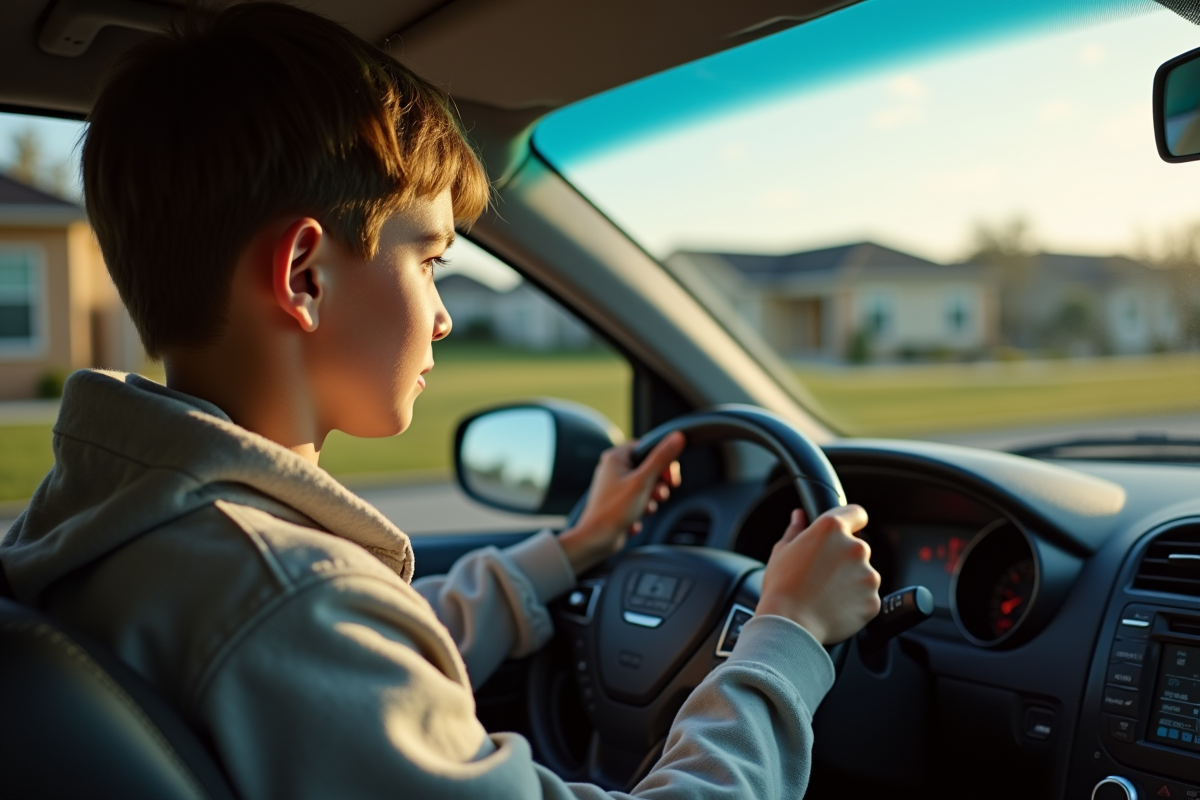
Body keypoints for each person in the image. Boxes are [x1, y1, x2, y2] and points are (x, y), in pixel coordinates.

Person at [0, 4, 881, 799]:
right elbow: (329, 639)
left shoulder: (116, 525)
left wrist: (570, 549)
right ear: (304, 276)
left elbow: (357, 676)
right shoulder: (286, 595)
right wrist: (787, 638)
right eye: (430, 262)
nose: (446, 316)